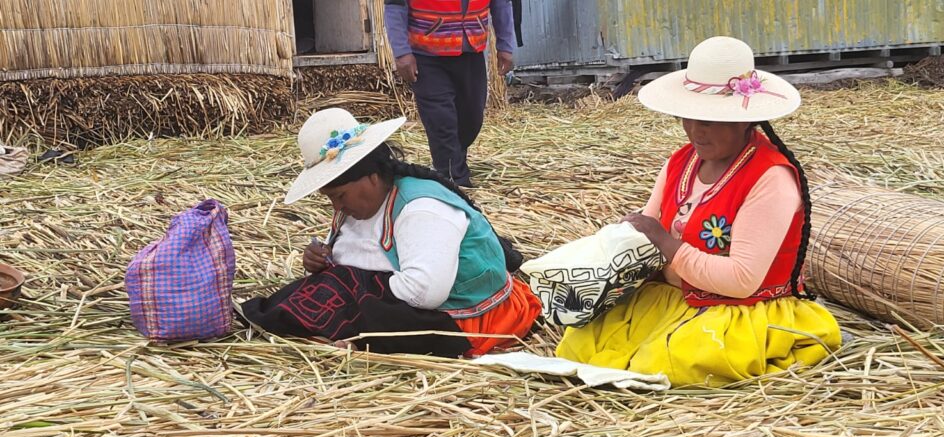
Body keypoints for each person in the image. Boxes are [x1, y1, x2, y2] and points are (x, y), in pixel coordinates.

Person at [555, 37, 842, 387]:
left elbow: (741, 280)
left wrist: (666, 244)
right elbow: (650, 235)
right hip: (672, 298)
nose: (695, 131)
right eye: (688, 118)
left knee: (668, 363)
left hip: (741, 312)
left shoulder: (770, 178)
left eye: (710, 121)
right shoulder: (681, 162)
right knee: (583, 341)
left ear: (745, 120)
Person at [242, 108, 540, 357]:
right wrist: (324, 260)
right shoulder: (365, 202)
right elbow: (356, 251)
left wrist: (357, 289)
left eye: (340, 196)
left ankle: (356, 339)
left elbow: (425, 292)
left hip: (467, 318)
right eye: (330, 198)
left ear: (371, 178)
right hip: (416, 298)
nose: (337, 206)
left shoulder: (421, 209)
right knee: (314, 291)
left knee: (361, 304)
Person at [384, 0, 516, 188]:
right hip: (427, 55)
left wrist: (505, 45)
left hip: (471, 51)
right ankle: (455, 182)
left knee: (472, 119)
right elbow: (395, 5)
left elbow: (501, 3)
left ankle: (452, 161)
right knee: (441, 121)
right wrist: (402, 52)